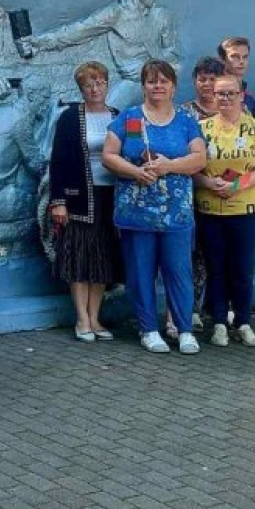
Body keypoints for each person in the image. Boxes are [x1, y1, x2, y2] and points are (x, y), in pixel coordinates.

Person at [101, 59, 207, 354]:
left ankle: (184, 330)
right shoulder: (130, 118)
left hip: (176, 213)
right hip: (136, 213)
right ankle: (148, 329)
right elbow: (109, 155)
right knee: (140, 272)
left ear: (173, 86)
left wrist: (169, 166)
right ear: (143, 86)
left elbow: (199, 158)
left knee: (179, 271)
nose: (157, 86)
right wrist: (135, 172)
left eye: (163, 81)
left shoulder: (186, 120)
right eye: (151, 81)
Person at [17, 0, 180, 109]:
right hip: (132, 83)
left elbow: (173, 53)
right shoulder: (115, 14)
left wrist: (161, 68)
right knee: (106, 116)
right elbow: (78, 31)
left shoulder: (162, 16)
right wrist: (40, 43)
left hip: (161, 85)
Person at [193, 75, 255, 348]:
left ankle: (242, 322)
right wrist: (208, 183)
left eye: (230, 93)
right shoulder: (201, 129)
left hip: (247, 210)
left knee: (241, 268)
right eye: (220, 93)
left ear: (242, 95)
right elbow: (191, 166)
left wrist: (237, 185)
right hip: (210, 210)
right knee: (215, 267)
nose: (225, 98)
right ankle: (218, 322)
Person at [46, 61, 123, 342]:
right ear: (81, 89)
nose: (95, 89)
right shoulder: (70, 117)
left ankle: (95, 317)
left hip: (110, 195)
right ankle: (82, 319)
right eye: (88, 85)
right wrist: (58, 201)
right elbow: (58, 160)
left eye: (99, 83)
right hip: (79, 197)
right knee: (80, 257)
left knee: (102, 257)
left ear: (107, 84)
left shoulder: (117, 116)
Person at [179, 56, 227, 333]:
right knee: (193, 253)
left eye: (213, 79)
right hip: (192, 193)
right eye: (202, 79)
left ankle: (220, 306)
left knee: (222, 253)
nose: (207, 84)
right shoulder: (185, 113)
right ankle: (192, 308)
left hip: (228, 194)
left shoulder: (234, 110)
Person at [217, 36, 255, 116]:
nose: (241, 61)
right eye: (235, 57)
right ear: (222, 59)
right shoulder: (213, 94)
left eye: (245, 57)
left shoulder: (249, 99)